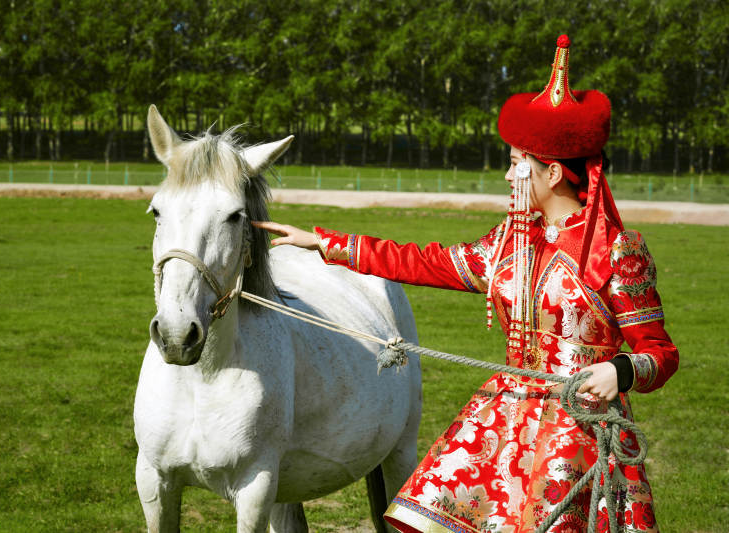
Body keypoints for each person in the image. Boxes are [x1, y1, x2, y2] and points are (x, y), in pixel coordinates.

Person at [254, 35, 677, 533]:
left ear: (555, 172)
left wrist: (621, 371)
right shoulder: (508, 243)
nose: (507, 175)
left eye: (518, 163)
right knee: (424, 512)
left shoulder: (617, 251)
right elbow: (424, 262)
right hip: (511, 414)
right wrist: (326, 244)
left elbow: (661, 352)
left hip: (582, 432)